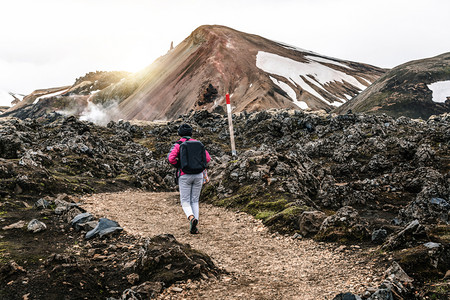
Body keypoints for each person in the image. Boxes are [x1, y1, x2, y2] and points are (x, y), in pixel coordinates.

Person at [167, 124, 211, 234]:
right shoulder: (198, 143)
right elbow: (208, 158)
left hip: (184, 175)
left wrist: (179, 165)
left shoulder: (178, 144)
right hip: (198, 175)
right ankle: (195, 226)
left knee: (185, 201)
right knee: (195, 200)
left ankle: (191, 218)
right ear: (191, 133)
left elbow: (171, 158)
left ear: (180, 133)